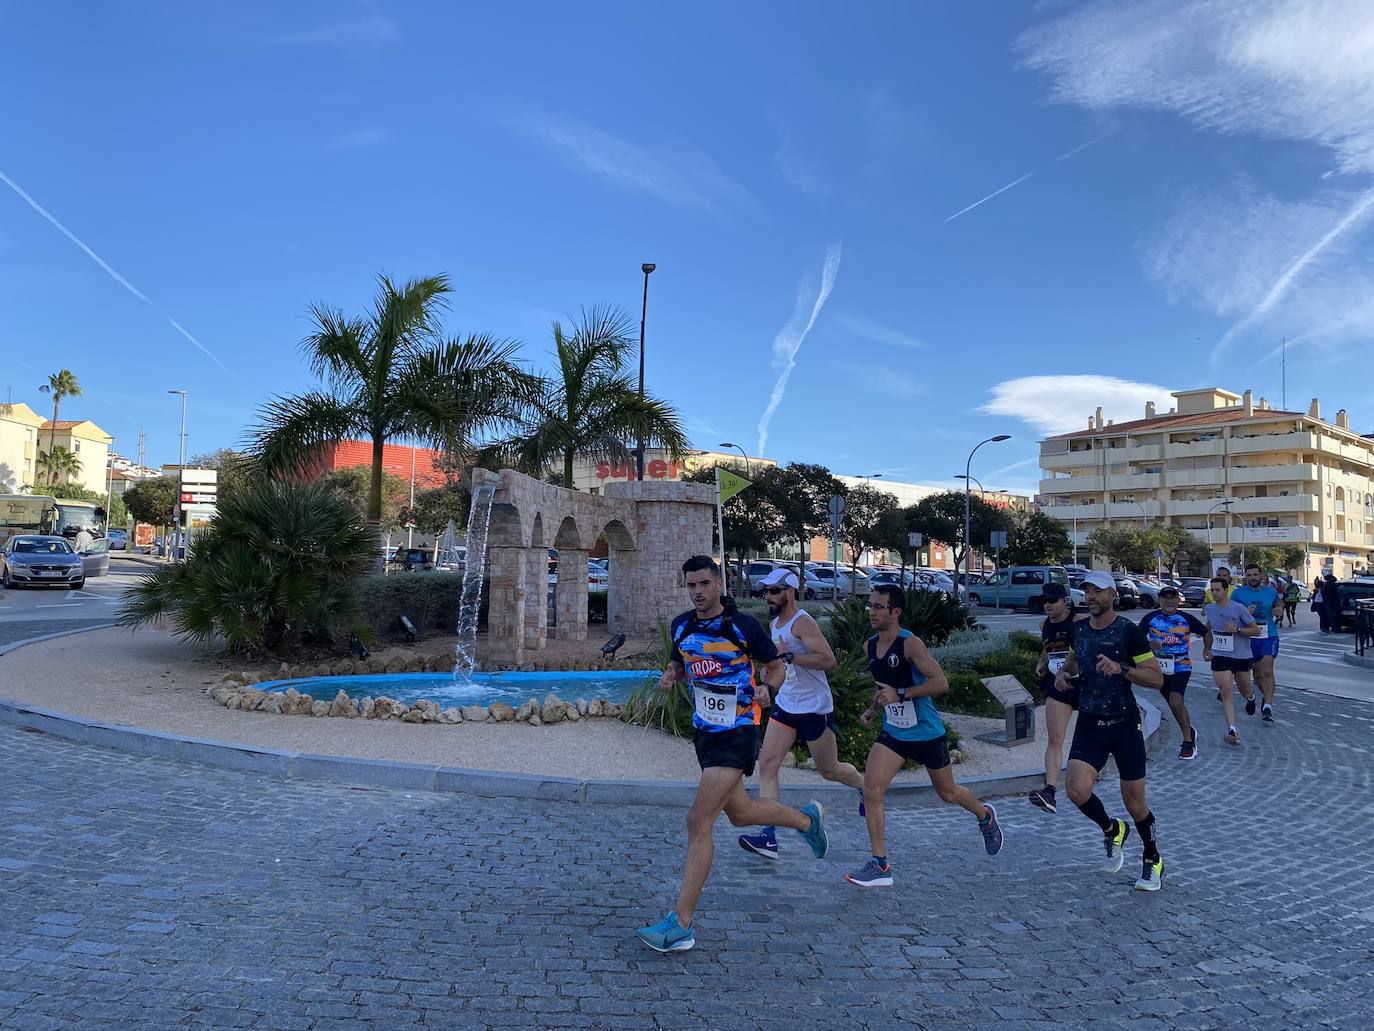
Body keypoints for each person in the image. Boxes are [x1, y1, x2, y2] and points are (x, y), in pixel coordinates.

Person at [636, 556, 828, 952]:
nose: (697, 592)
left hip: (738, 731)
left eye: (704, 584)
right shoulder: (682, 625)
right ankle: (807, 821)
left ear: (719, 584)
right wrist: (672, 674)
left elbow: (775, 667)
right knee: (741, 813)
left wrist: (768, 688)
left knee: (698, 820)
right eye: (691, 585)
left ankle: (681, 923)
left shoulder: (743, 626)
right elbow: (680, 662)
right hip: (705, 733)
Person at [845, 584, 1004, 888]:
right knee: (871, 790)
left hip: (927, 732)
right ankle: (880, 865)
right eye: (870, 606)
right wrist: (873, 709)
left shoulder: (910, 644)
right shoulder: (870, 647)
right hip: (894, 732)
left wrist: (901, 693)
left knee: (948, 793)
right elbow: (884, 687)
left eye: (878, 607)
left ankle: (984, 816)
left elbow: (941, 683)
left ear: (895, 612)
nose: (871, 612)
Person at [738, 568, 865, 860]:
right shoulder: (775, 624)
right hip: (787, 703)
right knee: (767, 764)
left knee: (829, 770)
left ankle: (864, 787)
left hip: (814, 707)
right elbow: (779, 665)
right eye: (766, 591)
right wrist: (768, 679)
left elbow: (828, 660)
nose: (768, 596)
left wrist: (791, 656)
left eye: (774, 591)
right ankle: (768, 836)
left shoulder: (802, 622)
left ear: (790, 592)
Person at [1052, 571, 1166, 891]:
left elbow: (1156, 678)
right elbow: (1074, 660)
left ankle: (1152, 858)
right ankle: (1112, 829)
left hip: (1124, 724)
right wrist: (1062, 674)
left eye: (1098, 591)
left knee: (1135, 803)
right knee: (1076, 789)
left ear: (1113, 595)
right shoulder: (1078, 630)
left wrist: (1122, 668)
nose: (1091, 596)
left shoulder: (1128, 632)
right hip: (1090, 722)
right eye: (1087, 590)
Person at [1138, 587, 1210, 760]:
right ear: (1160, 600)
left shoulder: (1186, 618)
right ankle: (1189, 730)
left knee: (1176, 700)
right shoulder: (1150, 618)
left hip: (1181, 665)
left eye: (1172, 598)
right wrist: (1149, 645)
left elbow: (1205, 632)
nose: (1169, 601)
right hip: (1159, 667)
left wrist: (1207, 649)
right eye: (1165, 598)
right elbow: (1136, 640)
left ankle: (1188, 742)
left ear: (1178, 600)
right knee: (1174, 705)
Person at [1028, 582, 1080, 812]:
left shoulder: (1079, 621)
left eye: (1051, 600)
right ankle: (1049, 790)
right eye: (1044, 601)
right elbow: (1047, 648)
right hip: (1058, 686)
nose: (1047, 605)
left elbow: (1084, 651)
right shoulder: (1044, 625)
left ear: (1063, 601)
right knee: (1055, 738)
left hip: (1084, 683)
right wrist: (1042, 663)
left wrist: (1069, 668)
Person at [1203, 577, 1262, 746]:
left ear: (1226, 591)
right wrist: (1207, 648)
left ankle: (1250, 698)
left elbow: (1256, 631)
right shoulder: (1209, 608)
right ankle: (1232, 729)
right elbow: (1209, 629)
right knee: (1226, 691)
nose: (1214, 593)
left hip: (1241, 655)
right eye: (1212, 590)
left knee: (1244, 689)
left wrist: (1237, 629)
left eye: (1218, 590)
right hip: (1220, 655)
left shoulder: (1238, 608)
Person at [1231, 563, 1281, 723]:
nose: (1252, 578)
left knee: (1267, 669)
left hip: (1268, 635)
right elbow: (1230, 613)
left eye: (1255, 575)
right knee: (1257, 673)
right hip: (1248, 637)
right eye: (1249, 575)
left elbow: (1278, 603)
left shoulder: (1270, 591)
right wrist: (1244, 612)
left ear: (1261, 576)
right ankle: (1262, 696)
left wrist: (1278, 609)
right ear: (1246, 577)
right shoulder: (1238, 593)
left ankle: (1268, 706)